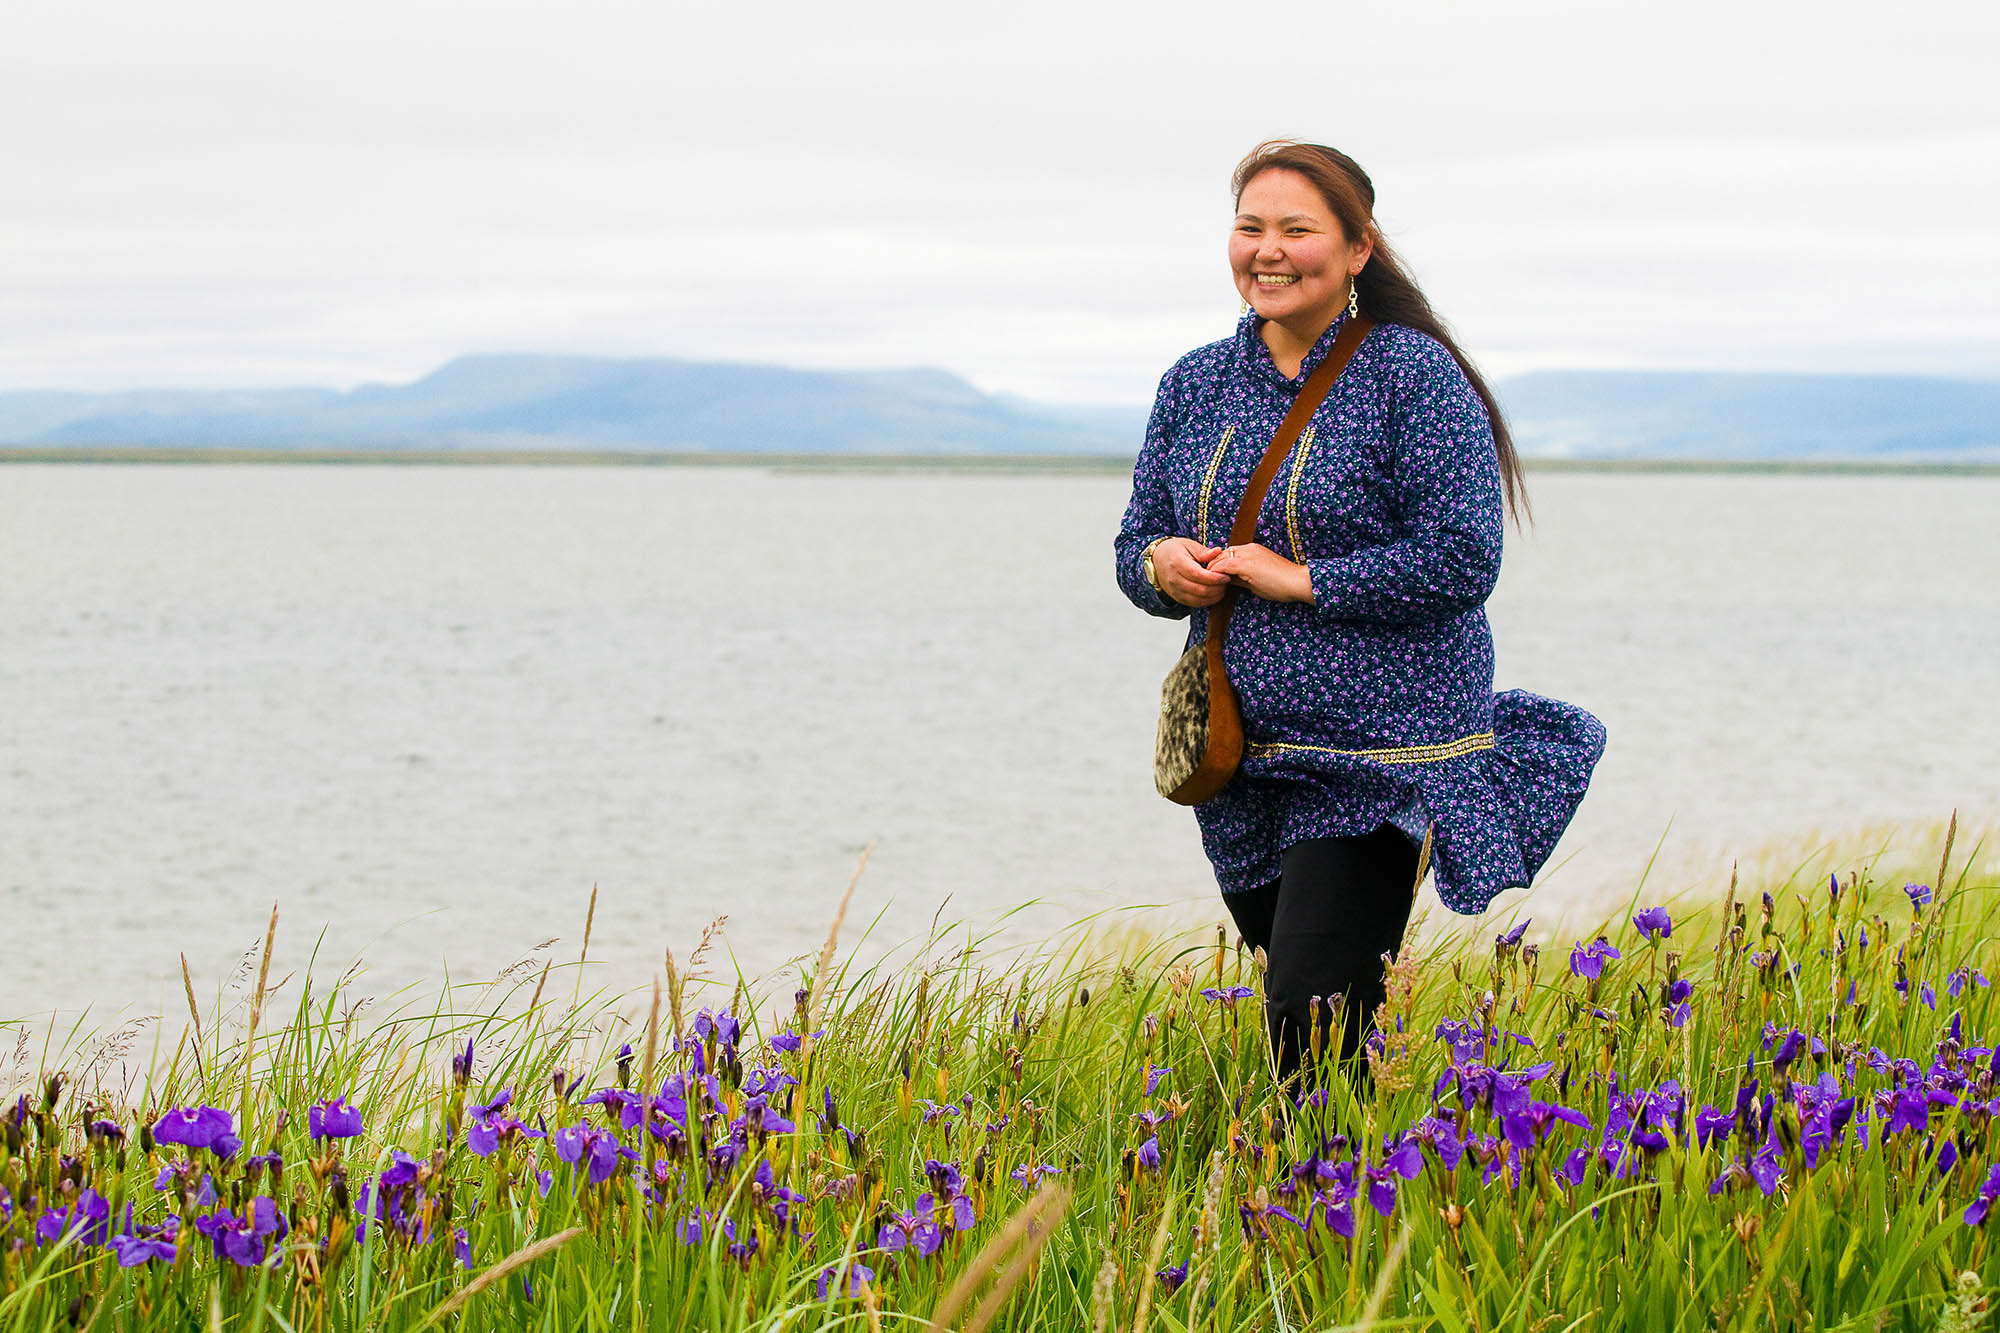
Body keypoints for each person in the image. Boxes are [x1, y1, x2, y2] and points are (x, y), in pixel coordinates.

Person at [1115, 140, 1606, 1091]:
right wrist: (1163, 567)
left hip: (1382, 758)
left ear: (1357, 249)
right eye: (1250, 227)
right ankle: (1365, 1159)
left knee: (1312, 1015)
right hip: (1241, 759)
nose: (1268, 250)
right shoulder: (1194, 384)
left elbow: (1464, 558)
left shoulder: (1412, 376)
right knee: (1314, 1022)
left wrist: (1301, 580)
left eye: (1296, 229)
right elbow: (1133, 546)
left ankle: (1328, 1179)